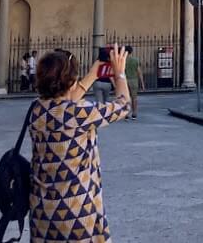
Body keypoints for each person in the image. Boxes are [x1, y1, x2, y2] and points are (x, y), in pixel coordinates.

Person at [28, 46, 130, 241]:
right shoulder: (79, 113)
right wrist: (120, 74)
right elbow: (123, 105)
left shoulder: (36, 110)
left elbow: (63, 104)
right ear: (71, 81)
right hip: (77, 216)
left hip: (42, 214)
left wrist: (93, 73)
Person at [124, 47, 141, 120]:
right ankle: (134, 113)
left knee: (126, 98)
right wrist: (142, 84)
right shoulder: (135, 60)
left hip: (125, 80)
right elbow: (139, 72)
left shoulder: (123, 60)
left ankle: (127, 113)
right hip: (134, 80)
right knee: (134, 98)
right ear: (131, 52)